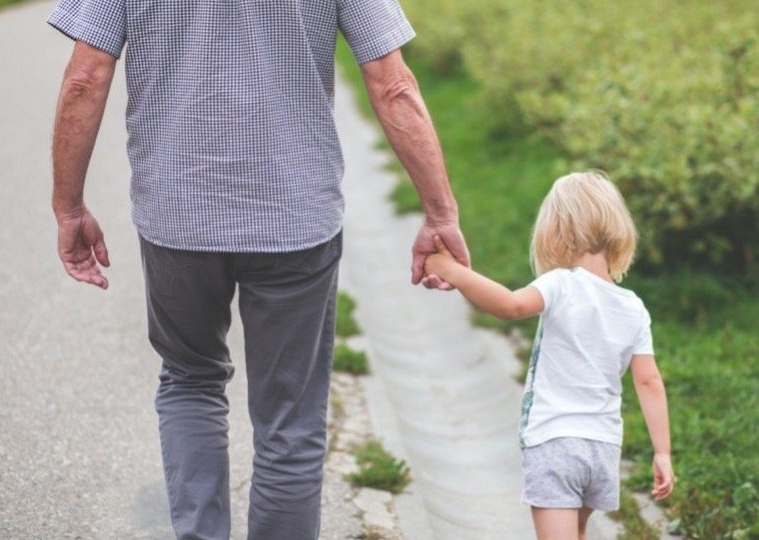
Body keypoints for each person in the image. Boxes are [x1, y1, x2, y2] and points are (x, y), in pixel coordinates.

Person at [48, 1, 469, 539]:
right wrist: (440, 212)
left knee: (189, 381)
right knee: (290, 423)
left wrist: (69, 205)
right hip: (295, 219)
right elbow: (393, 85)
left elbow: (85, 78)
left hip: (179, 216)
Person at [424, 171, 673, 540]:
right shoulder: (633, 306)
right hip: (603, 448)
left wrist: (453, 271)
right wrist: (662, 452)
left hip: (556, 442)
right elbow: (649, 380)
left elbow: (509, 305)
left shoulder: (561, 284)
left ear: (557, 231)